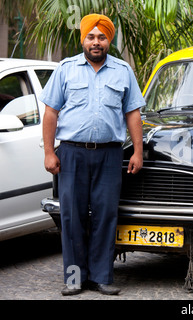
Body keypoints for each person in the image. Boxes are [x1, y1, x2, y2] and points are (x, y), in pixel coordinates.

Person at [40, 13, 145, 296]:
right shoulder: (66, 69)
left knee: (105, 215)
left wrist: (137, 150)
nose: (96, 42)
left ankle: (101, 277)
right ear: (83, 39)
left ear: (108, 40)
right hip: (72, 154)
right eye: (91, 37)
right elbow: (51, 112)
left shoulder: (123, 71)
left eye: (102, 37)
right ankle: (74, 279)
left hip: (110, 156)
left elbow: (132, 113)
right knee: (72, 217)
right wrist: (50, 152)